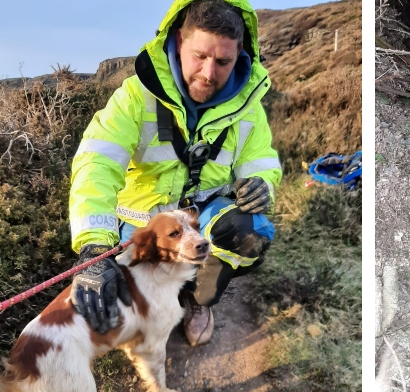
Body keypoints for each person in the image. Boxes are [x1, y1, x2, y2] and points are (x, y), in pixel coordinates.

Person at [67, 0, 282, 346]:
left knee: (249, 230)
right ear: (180, 41)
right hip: (141, 220)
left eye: (223, 61)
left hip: (204, 216)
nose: (208, 74)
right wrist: (94, 246)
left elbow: (261, 161)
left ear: (239, 52)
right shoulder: (135, 97)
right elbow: (97, 162)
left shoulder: (249, 109)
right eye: (199, 56)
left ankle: (197, 302)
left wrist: (262, 185)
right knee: (114, 289)